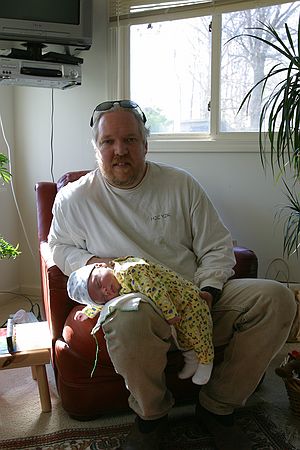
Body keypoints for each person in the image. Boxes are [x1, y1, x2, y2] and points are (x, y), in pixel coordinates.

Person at [48, 99, 296, 450]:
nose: (120, 150)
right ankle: (151, 417)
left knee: (277, 298)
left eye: (130, 140)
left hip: (194, 297)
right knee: (128, 313)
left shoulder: (181, 185)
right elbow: (59, 248)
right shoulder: (74, 199)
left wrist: (209, 291)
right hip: (139, 308)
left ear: (146, 144)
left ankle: (218, 407)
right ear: (96, 148)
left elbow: (217, 245)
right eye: (109, 142)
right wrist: (94, 263)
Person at [67, 256, 215, 385]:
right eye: (102, 296)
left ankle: (206, 361)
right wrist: (87, 312)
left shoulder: (131, 270)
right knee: (182, 336)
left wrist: (169, 313)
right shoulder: (115, 287)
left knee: (197, 330)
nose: (105, 291)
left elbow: (156, 290)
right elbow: (102, 305)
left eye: (99, 283)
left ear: (100, 265)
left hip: (188, 299)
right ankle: (191, 358)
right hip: (174, 305)